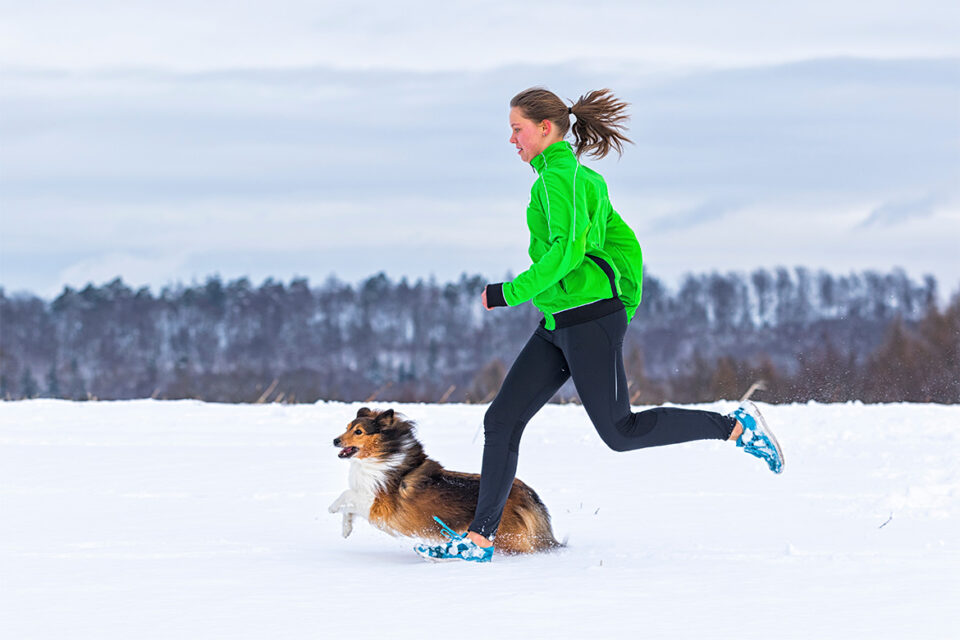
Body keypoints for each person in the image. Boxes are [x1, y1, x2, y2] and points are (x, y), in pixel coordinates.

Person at [414, 87, 784, 564]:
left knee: (619, 431)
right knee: (501, 419)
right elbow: (618, 241)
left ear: (544, 129)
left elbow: (566, 254)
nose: (511, 139)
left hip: (588, 320)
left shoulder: (561, 179)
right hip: (560, 320)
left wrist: (510, 292)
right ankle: (480, 539)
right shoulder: (566, 178)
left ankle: (736, 426)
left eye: (517, 129)